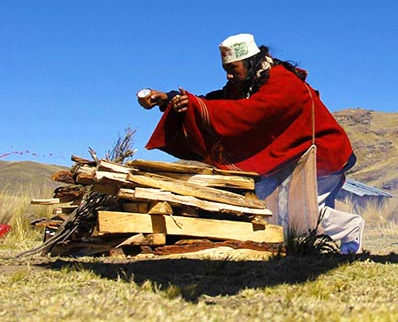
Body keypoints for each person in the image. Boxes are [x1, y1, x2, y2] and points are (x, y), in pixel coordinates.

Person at [138, 33, 365, 254]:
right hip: (296, 158)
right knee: (276, 210)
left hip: (324, 155)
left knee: (298, 215)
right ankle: (340, 243)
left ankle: (352, 228)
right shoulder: (248, 83)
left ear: (248, 62)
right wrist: (171, 99)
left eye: (232, 70)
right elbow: (217, 101)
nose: (228, 76)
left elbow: (252, 112)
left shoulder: (283, 82)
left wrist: (198, 108)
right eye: (225, 71)